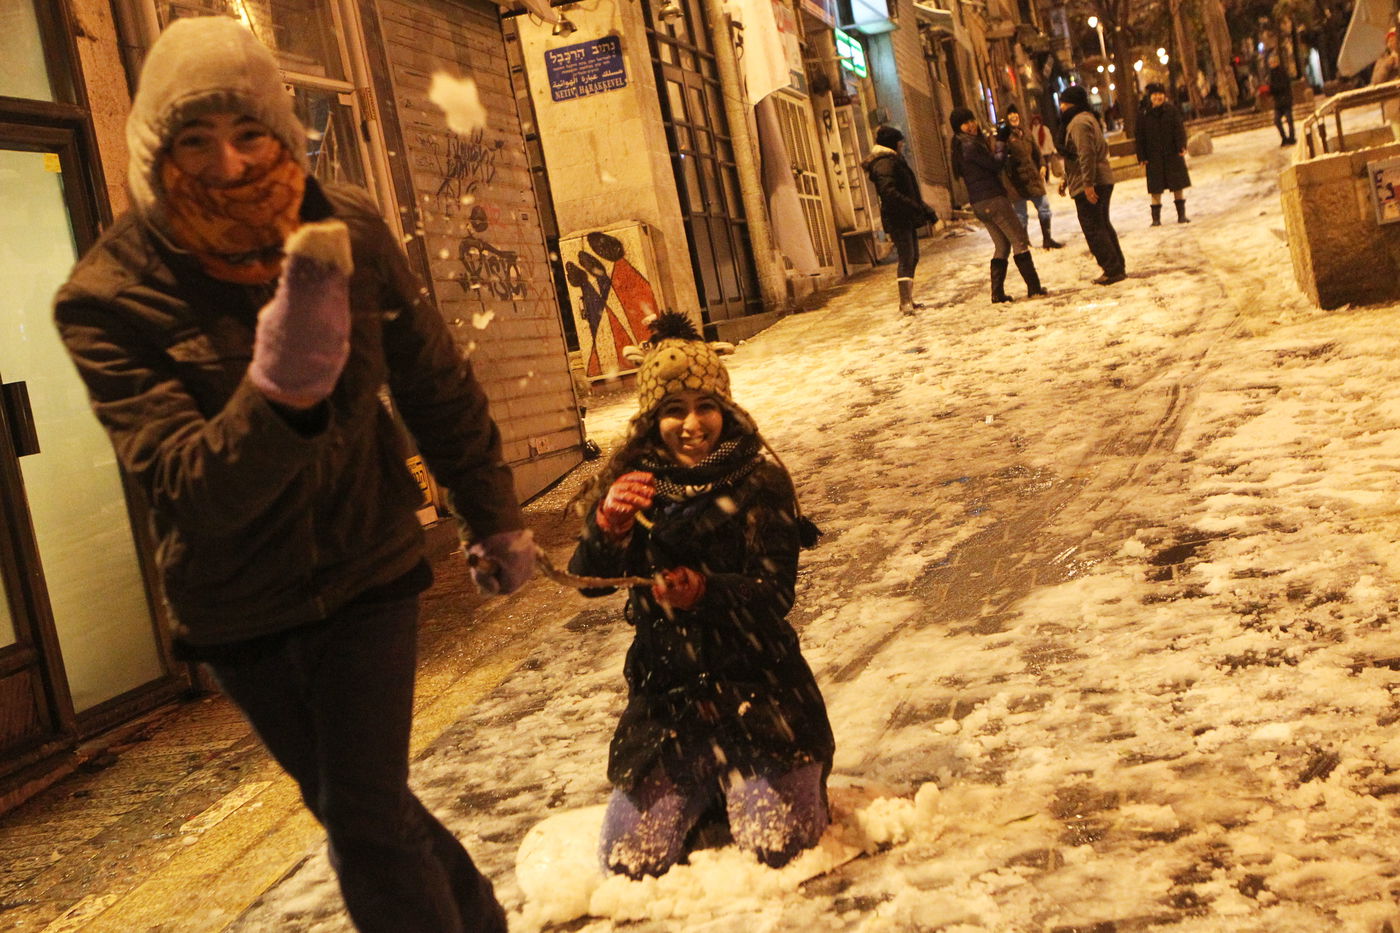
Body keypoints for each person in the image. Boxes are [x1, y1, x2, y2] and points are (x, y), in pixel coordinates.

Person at [51, 17, 534, 932]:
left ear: (280, 127)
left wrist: (493, 511)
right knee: (360, 808)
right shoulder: (108, 298)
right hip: (238, 604)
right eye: (195, 141)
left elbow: (433, 378)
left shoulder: (343, 227)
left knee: (363, 817)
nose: (228, 165)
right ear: (155, 147)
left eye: (248, 133)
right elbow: (189, 489)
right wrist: (280, 393)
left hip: (367, 566)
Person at [569, 311, 835, 879]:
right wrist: (608, 528)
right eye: (674, 410)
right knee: (629, 861)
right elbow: (589, 583)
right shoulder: (632, 483)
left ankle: (764, 783)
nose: (692, 424)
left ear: (726, 409)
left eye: (704, 406)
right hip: (670, 700)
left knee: (778, 850)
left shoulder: (760, 480)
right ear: (652, 419)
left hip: (761, 693)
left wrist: (705, 592)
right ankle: (706, 789)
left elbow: (774, 593)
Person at [950, 107, 1046, 303]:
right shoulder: (970, 145)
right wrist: (1001, 142)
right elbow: (995, 164)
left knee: (1002, 245)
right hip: (993, 199)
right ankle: (1034, 287)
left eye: (972, 120)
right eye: (965, 123)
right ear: (958, 128)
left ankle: (997, 294)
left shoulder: (960, 146)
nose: (971, 125)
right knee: (1019, 240)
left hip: (979, 203)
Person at [863, 124, 939, 315]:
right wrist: (912, 205)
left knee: (913, 256)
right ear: (892, 143)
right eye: (900, 142)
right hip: (897, 217)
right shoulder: (884, 163)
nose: (902, 145)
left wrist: (922, 209)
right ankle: (905, 302)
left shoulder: (892, 160)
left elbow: (908, 191)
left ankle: (908, 299)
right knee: (907, 257)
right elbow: (889, 192)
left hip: (904, 216)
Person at [1056, 86, 1126, 286]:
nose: (1061, 107)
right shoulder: (1084, 119)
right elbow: (1077, 156)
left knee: (1094, 228)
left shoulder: (1078, 122)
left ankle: (1112, 269)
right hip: (1094, 179)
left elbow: (1086, 154)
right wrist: (1066, 178)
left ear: (1072, 104)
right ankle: (1116, 266)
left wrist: (1088, 184)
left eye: (1064, 103)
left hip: (1092, 182)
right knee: (1101, 225)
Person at [1000, 105, 1064, 248]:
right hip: (1016, 182)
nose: (1014, 116)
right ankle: (1024, 242)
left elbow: (1037, 152)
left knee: (1044, 207)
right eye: (1010, 114)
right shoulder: (1004, 137)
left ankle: (1047, 239)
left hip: (1032, 177)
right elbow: (1001, 160)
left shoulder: (1026, 132)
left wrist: (1042, 165)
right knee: (1021, 214)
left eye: (1015, 113)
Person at [1135, 83, 1192, 225]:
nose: (1158, 97)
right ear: (1150, 97)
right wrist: (1142, 156)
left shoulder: (1171, 111)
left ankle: (1181, 216)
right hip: (1153, 156)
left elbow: (1179, 130)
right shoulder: (1144, 114)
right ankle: (1156, 219)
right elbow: (1140, 137)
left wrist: (1182, 146)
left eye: (1160, 94)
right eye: (1155, 94)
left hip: (1172, 153)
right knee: (1155, 188)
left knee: (1177, 185)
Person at [1266, 55, 1298, 145]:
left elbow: (1283, 86)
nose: (1272, 64)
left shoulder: (1282, 72)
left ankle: (1291, 138)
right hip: (1278, 103)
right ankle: (1284, 138)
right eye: (1270, 63)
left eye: (1273, 62)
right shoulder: (1270, 75)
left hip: (1286, 101)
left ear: (1277, 62)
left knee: (1289, 120)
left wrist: (1272, 88)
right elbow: (1271, 87)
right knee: (1277, 121)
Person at [1370, 30, 1400, 124]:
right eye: (1390, 40)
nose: (1393, 43)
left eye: (1396, 39)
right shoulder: (1382, 60)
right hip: (1394, 109)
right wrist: (1389, 63)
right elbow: (1376, 81)